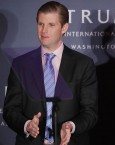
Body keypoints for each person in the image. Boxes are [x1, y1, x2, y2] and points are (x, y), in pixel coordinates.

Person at [3, 1, 98, 145]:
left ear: (64, 27)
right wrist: (27, 124)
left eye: (51, 25)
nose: (44, 30)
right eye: (41, 24)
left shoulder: (83, 64)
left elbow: (90, 112)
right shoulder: (21, 64)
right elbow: (10, 110)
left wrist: (71, 126)